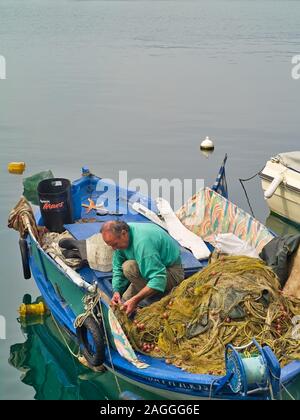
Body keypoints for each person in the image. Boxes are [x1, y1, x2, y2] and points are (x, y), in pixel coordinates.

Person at [101, 221, 184, 316]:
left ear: (124, 234)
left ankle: (156, 296)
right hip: (149, 267)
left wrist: (136, 300)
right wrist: (117, 291)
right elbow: (117, 267)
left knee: (129, 267)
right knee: (123, 302)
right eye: (111, 246)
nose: (114, 248)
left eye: (115, 244)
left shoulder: (143, 244)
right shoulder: (123, 237)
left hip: (170, 272)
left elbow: (159, 278)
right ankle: (146, 293)